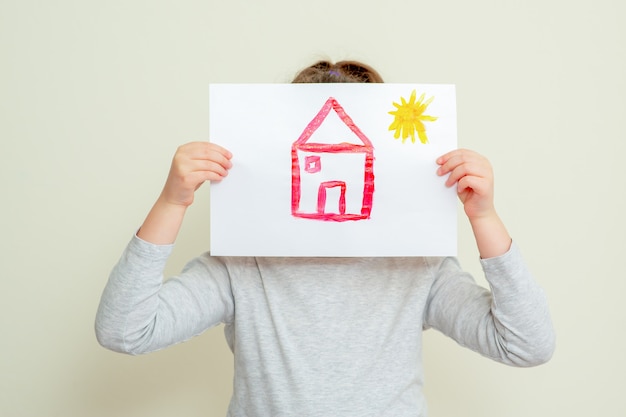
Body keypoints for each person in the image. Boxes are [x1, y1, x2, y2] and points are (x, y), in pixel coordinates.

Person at [95, 60, 555, 417]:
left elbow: (527, 345)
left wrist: (484, 216)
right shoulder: (240, 265)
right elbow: (125, 331)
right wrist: (171, 204)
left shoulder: (418, 267)